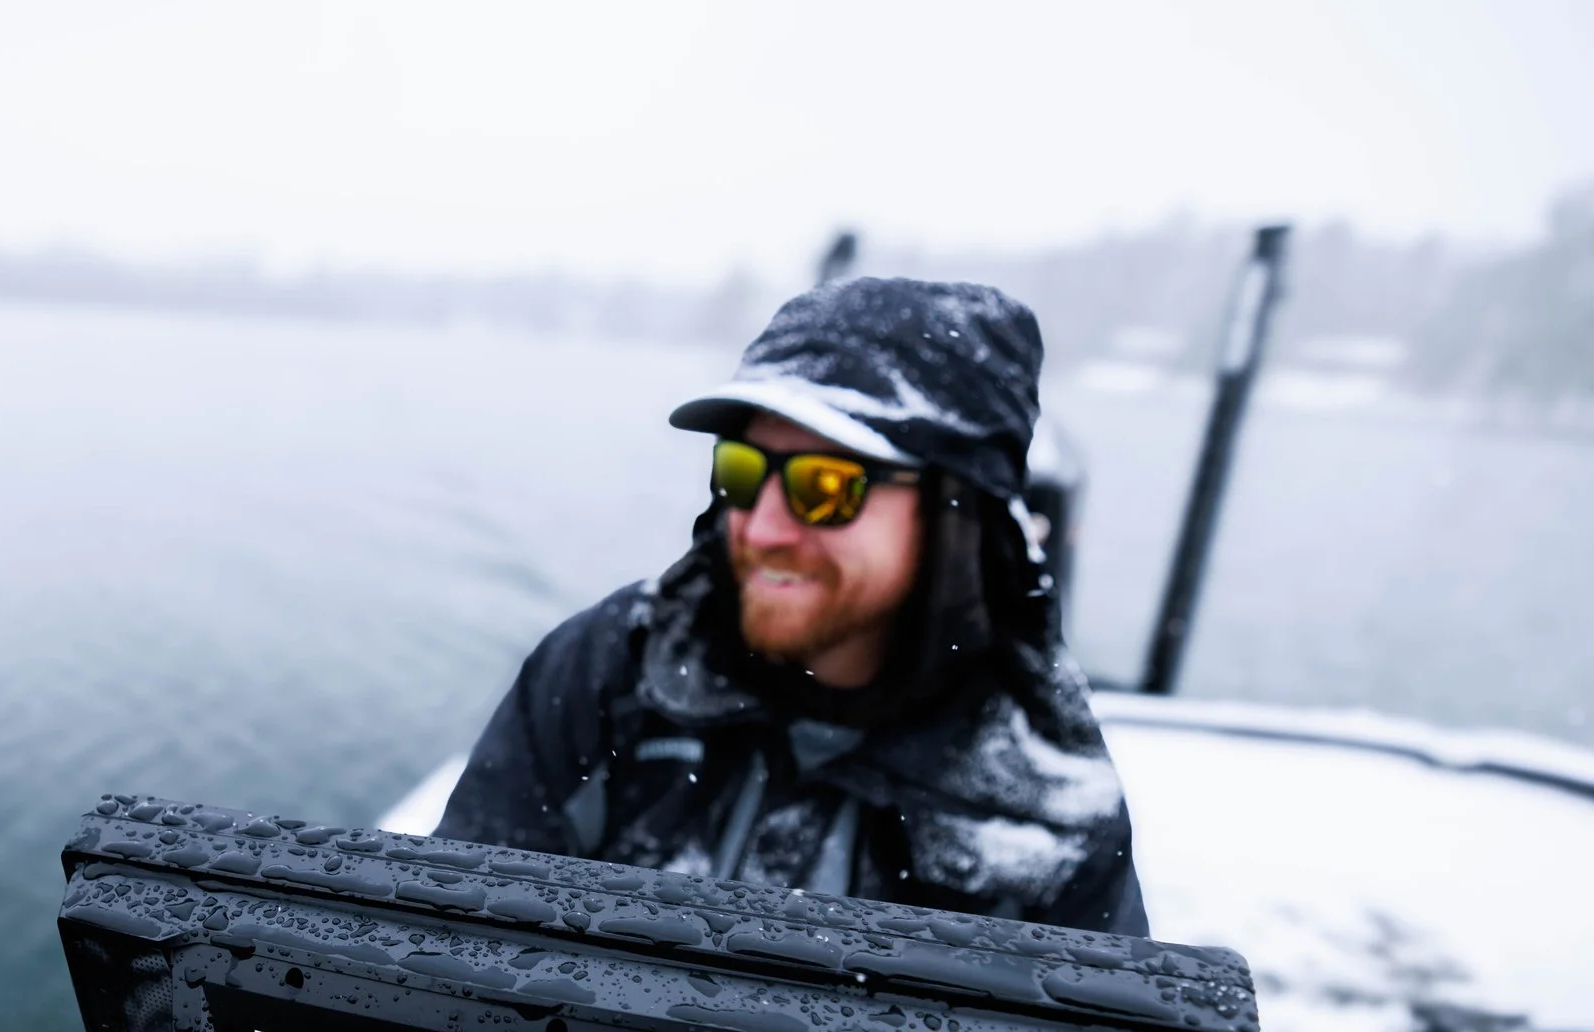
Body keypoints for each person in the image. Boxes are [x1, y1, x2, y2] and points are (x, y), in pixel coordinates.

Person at [436, 276, 1148, 937]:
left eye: (826, 487)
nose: (763, 527)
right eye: (742, 471)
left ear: (952, 514)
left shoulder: (1044, 805)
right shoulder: (611, 672)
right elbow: (453, 944)